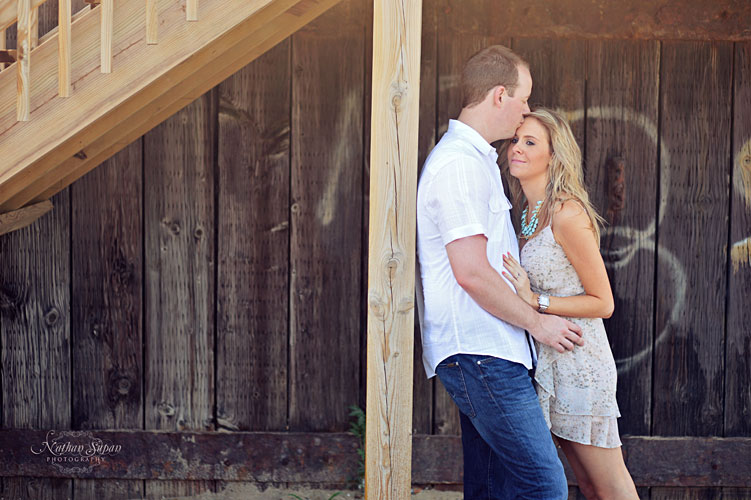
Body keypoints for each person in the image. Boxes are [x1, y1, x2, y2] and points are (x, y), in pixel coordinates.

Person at [416, 45, 584, 499]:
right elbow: (470, 272)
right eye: (523, 98)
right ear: (498, 95)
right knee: (545, 484)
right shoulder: (458, 165)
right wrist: (539, 324)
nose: (527, 110)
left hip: (490, 352)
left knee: (492, 490)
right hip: (481, 354)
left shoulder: (476, 162)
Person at [500, 108, 639, 500]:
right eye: (515, 140)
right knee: (589, 487)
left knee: (609, 485)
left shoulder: (566, 212)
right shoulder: (526, 214)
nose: (518, 149)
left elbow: (603, 302)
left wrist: (536, 301)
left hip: (581, 362)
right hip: (550, 361)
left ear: (553, 155)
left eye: (530, 142)